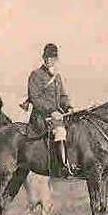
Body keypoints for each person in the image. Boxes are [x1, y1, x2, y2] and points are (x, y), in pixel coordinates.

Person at [24, 43, 73, 177]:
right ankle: (62, 167)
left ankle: (72, 162)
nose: (48, 60)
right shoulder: (35, 75)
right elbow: (35, 98)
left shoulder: (57, 76)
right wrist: (51, 111)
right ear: (43, 58)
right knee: (61, 131)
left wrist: (68, 106)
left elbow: (62, 96)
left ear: (56, 59)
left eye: (52, 58)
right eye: (46, 57)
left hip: (57, 115)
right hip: (41, 117)